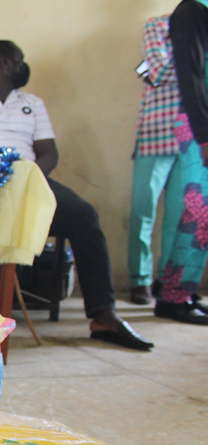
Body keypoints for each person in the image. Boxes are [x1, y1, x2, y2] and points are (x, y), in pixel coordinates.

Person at [0, 40, 154, 350]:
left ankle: (104, 315)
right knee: (2, 218)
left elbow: (49, 153)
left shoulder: (33, 103)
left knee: (84, 215)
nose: (23, 65)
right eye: (19, 60)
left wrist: (30, 178)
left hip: (31, 179)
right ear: (4, 63)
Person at [157, 1, 208, 324]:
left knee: (200, 212)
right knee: (200, 210)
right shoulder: (191, 10)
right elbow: (190, 75)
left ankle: (182, 292)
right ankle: (174, 298)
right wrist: (204, 135)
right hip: (198, 124)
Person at [127, 16, 182, 306]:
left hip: (194, 139)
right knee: (142, 212)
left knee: (179, 217)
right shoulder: (158, 26)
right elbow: (159, 68)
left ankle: (168, 280)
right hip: (156, 132)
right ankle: (140, 280)